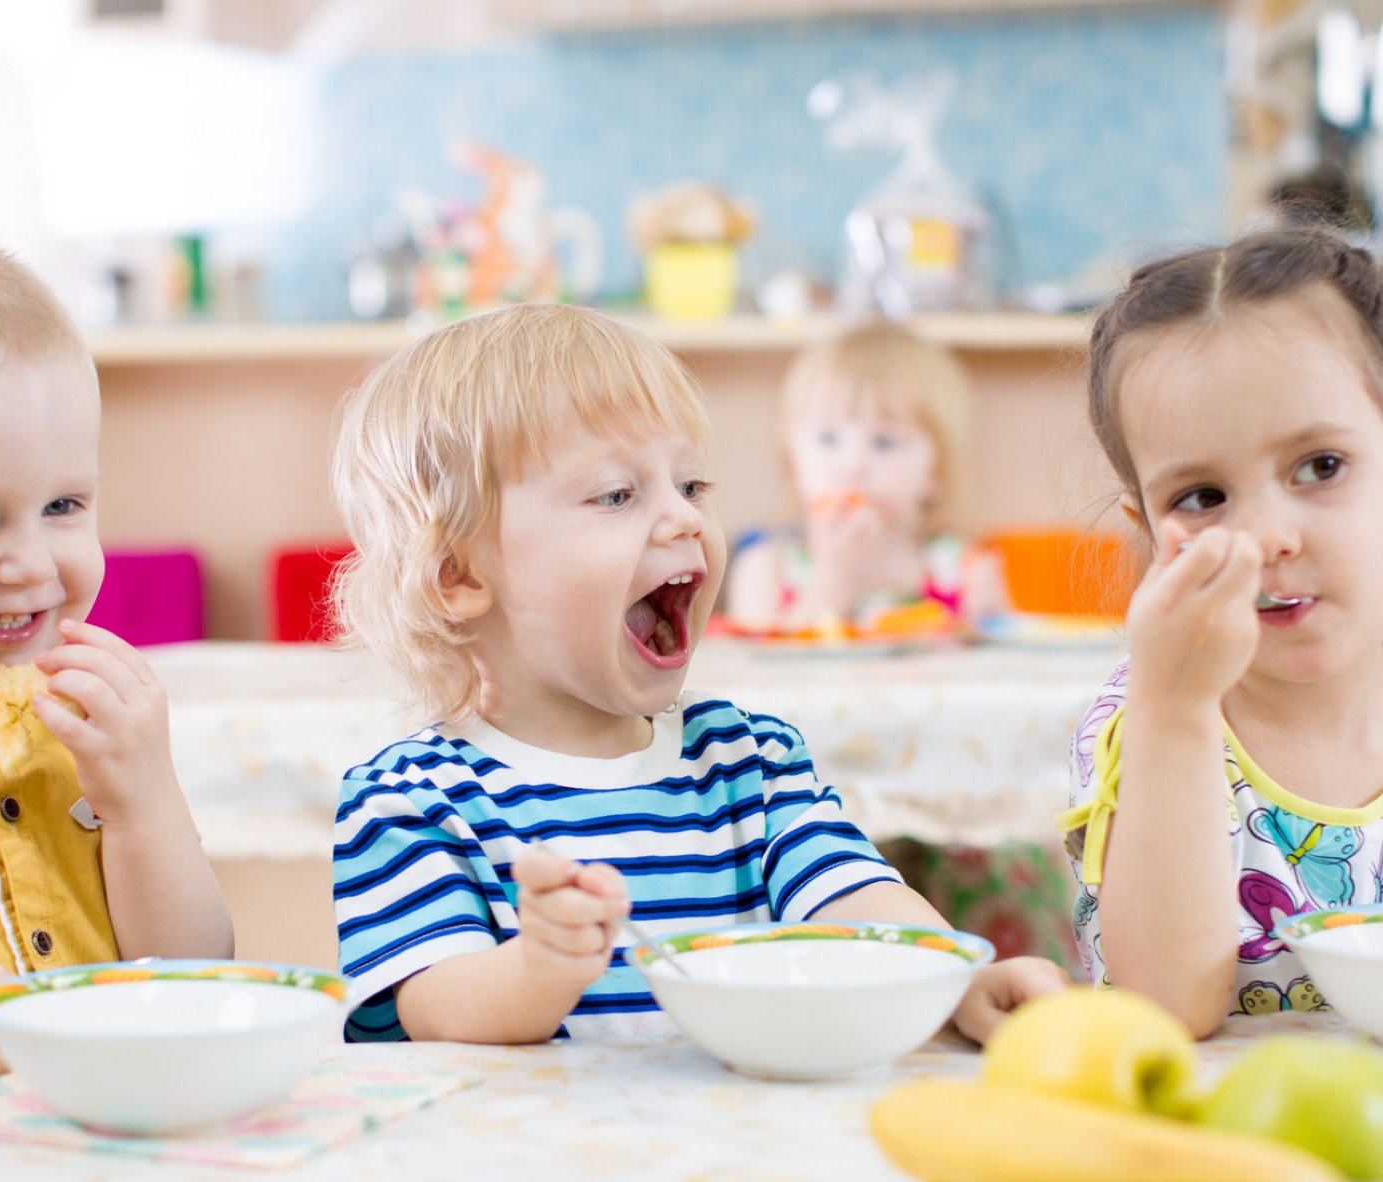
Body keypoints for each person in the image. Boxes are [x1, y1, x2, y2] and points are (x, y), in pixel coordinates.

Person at [331, 303, 1063, 1046]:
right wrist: (540, 969)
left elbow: (855, 891)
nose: (682, 519)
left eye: (692, 487)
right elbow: (437, 1011)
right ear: (457, 576)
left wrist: (954, 975)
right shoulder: (408, 801)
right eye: (617, 494)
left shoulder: (750, 761)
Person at [1060, 227, 1383, 1037]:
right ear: (1145, 525)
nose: (1269, 537)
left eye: (1320, 466)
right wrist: (1175, 707)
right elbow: (1163, 1010)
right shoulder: (1151, 722)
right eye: (1203, 496)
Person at [0, 230, 233, 1064]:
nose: (30, 563)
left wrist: (142, 800)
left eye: (64, 505)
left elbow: (196, 977)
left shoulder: (75, 718)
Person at [726, 321, 1007, 631]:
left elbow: (1008, 666)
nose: (852, 465)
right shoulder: (766, 568)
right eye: (828, 439)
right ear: (792, 462)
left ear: (935, 474)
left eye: (884, 442)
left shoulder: (964, 571)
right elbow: (762, 672)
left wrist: (991, 617)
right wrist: (834, 578)